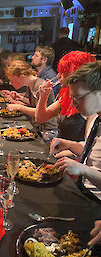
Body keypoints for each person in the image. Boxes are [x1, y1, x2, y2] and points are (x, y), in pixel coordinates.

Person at [51, 61, 101, 199]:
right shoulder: (95, 118)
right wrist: (68, 144)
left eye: (78, 98)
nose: (73, 104)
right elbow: (94, 150)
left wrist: (82, 169)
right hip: (81, 189)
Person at [35, 51, 96, 142]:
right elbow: (40, 118)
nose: (58, 76)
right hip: (61, 151)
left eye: (63, 72)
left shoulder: (92, 103)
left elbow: (90, 146)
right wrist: (43, 97)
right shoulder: (66, 96)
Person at [5, 60, 58, 132]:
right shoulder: (31, 84)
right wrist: (21, 99)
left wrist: (19, 107)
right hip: (39, 127)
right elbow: (36, 104)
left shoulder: (39, 86)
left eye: (12, 80)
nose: (10, 83)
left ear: (22, 77)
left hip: (47, 130)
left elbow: (40, 113)